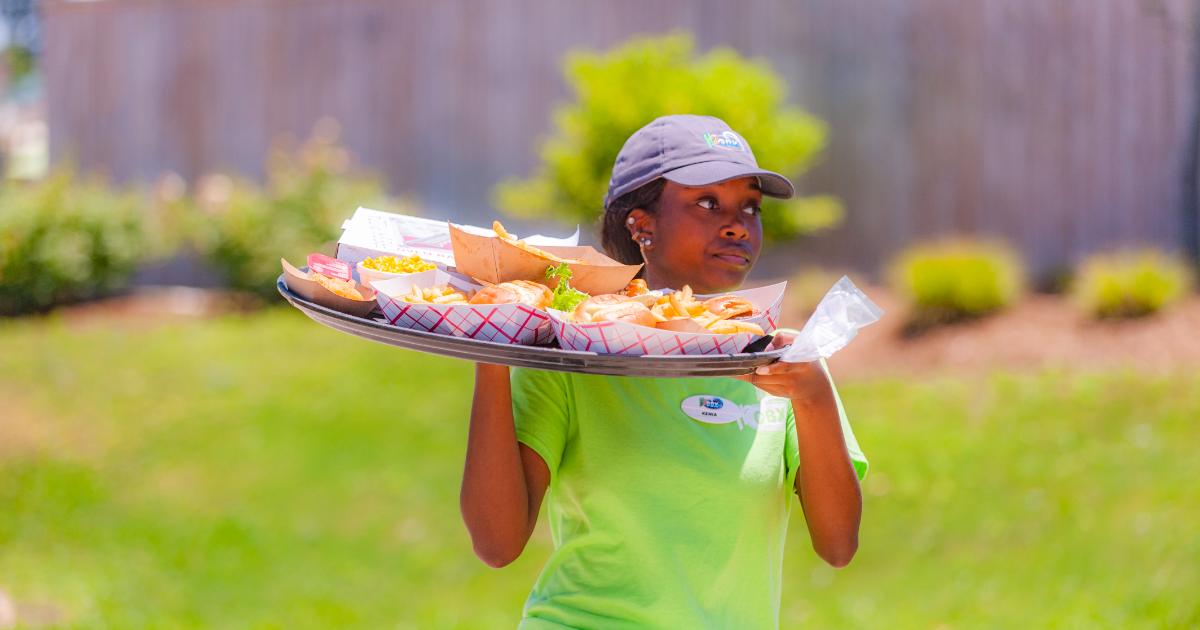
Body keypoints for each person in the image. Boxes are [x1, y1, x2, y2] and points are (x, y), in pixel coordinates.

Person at [460, 114, 868, 629]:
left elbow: (838, 545)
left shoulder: (783, 364)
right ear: (641, 224)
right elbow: (496, 544)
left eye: (750, 206)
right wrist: (491, 349)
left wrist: (814, 398)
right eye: (707, 202)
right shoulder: (572, 352)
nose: (737, 223)